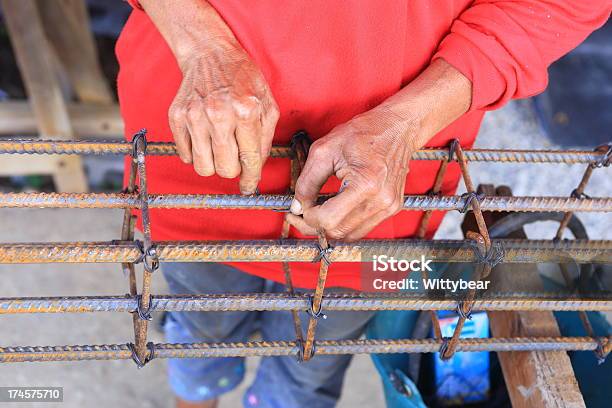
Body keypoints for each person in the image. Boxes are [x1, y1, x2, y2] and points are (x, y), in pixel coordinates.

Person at [117, 1, 611, 407]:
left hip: (379, 194)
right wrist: (204, 46)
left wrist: (406, 122)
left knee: (310, 369)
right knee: (199, 330)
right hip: (196, 152)